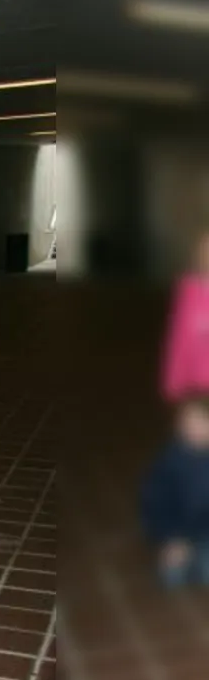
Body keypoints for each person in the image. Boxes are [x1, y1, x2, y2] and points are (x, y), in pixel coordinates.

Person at [141, 396, 209, 587]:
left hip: (205, 534)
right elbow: (154, 505)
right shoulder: (168, 461)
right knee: (171, 580)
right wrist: (172, 538)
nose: (194, 430)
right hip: (179, 532)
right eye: (187, 423)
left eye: (202, 421)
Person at [161, 234, 209, 402]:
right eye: (204, 252)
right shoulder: (189, 293)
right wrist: (173, 382)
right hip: (196, 386)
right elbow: (179, 339)